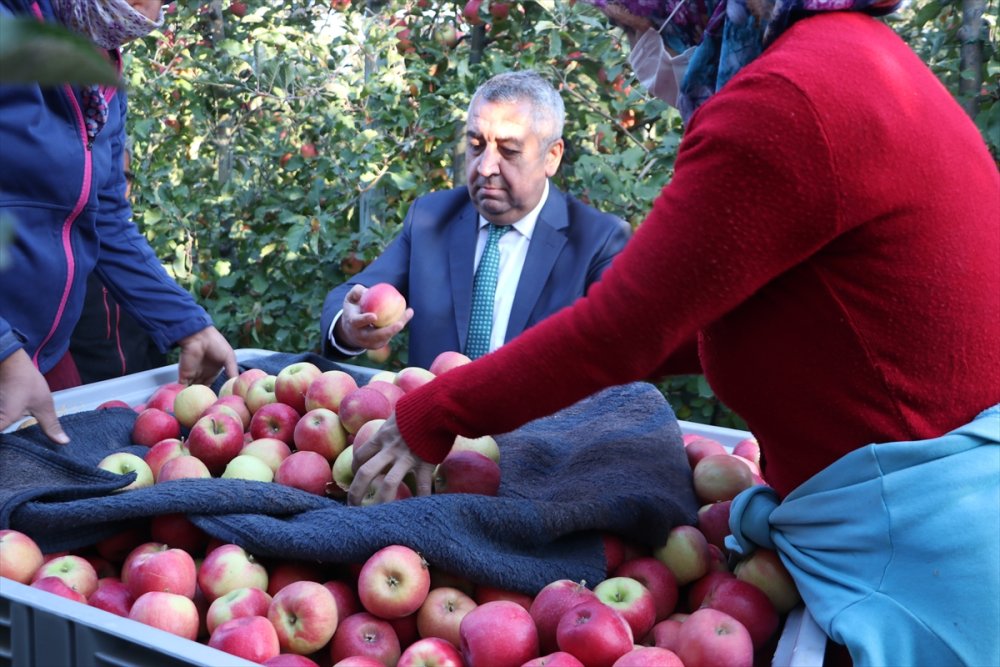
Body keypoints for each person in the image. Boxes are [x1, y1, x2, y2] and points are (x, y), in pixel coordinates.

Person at [348, 0, 999, 665]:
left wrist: (434, 413)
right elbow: (718, 315)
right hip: (918, 508)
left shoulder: (786, 102)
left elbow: (623, 330)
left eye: (630, 31)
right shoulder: (849, 59)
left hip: (914, 543)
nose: (633, 57)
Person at [0, 0, 237, 444]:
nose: (149, 12)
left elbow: (106, 217)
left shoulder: (101, 72)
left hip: (35, 359)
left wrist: (187, 322)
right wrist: (4, 352)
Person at [320, 70, 631, 370]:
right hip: (431, 408)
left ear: (552, 156)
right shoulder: (431, 219)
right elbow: (353, 296)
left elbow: (616, 359)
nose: (485, 167)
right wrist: (349, 326)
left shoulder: (598, 241)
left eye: (509, 151)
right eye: (476, 146)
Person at [69, 145, 167, 384]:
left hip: (139, 393)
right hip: (79, 397)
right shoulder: (59, 262)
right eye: (101, 176)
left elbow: (154, 338)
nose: (112, 187)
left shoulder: (137, 259)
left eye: (123, 178)